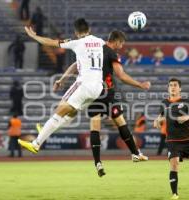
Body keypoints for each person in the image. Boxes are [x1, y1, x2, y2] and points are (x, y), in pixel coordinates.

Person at [49, 30, 150, 177]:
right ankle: (135, 153)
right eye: (121, 43)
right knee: (121, 122)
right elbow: (121, 75)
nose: (121, 46)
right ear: (116, 41)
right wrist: (140, 85)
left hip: (93, 93)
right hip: (108, 93)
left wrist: (62, 79)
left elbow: (74, 66)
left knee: (95, 126)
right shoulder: (110, 52)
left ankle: (98, 162)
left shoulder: (93, 48)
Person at [18, 18, 105, 154]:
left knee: (59, 111)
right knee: (71, 113)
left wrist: (33, 36)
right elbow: (79, 64)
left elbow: (50, 42)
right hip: (98, 87)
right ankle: (47, 130)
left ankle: (36, 143)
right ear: (89, 30)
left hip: (84, 84)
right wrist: (64, 78)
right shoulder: (100, 42)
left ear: (76, 32)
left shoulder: (76, 43)